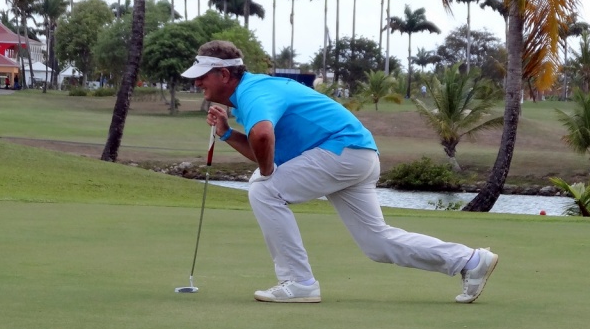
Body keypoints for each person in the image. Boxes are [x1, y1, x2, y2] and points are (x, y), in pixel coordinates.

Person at [181, 40, 498, 304]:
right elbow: (261, 149)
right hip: (355, 155)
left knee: (263, 189)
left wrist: (266, 174)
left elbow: (264, 139)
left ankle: (299, 282)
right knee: (377, 243)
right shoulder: (253, 92)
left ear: (223, 74)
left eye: (202, 76)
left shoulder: (253, 94)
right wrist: (226, 134)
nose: (197, 83)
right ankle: (471, 261)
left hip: (341, 152)